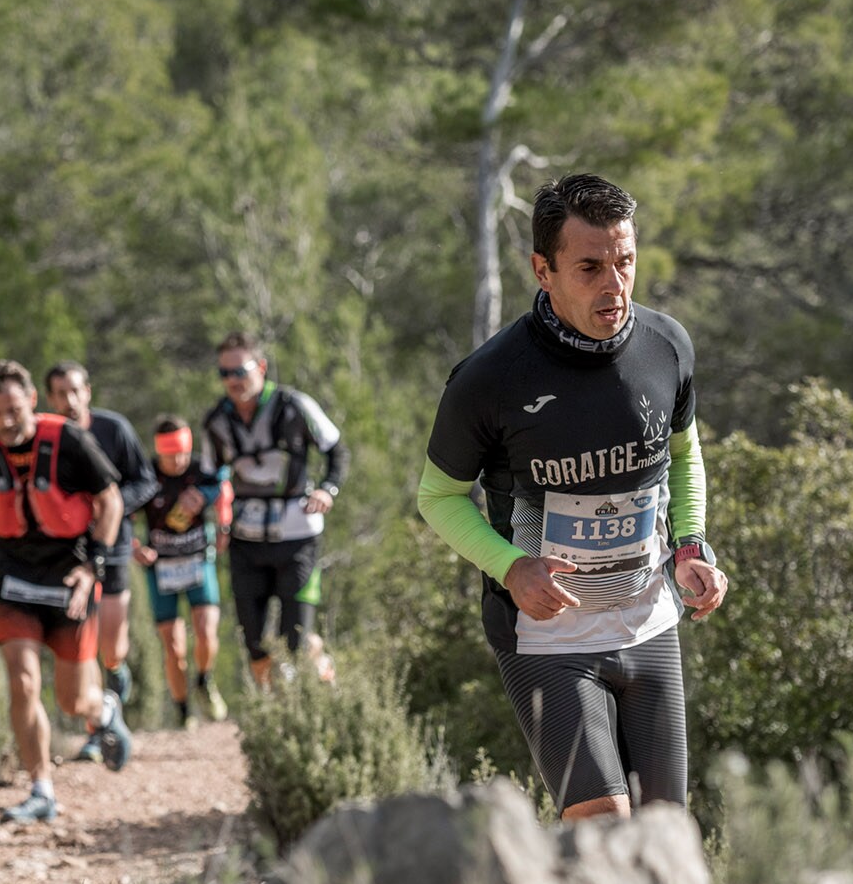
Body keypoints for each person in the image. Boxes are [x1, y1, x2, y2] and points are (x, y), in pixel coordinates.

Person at [416, 173, 729, 821]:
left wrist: (691, 543)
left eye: (625, 261)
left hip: (648, 619)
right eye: (589, 266)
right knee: (605, 826)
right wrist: (510, 565)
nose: (613, 285)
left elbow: (683, 452)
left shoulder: (666, 345)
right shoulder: (490, 378)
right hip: (545, 635)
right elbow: (439, 496)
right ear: (543, 269)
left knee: (664, 837)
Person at [0, 359, 135, 824]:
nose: (5, 422)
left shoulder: (70, 441)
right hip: (16, 577)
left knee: (70, 701)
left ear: (32, 402)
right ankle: (41, 789)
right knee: (21, 681)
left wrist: (92, 567)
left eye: (14, 410)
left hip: (69, 578)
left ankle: (102, 710)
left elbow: (111, 501)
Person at [200, 332, 347, 686]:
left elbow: (337, 450)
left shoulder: (295, 405)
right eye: (225, 374)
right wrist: (210, 518)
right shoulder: (215, 421)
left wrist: (328, 489)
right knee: (253, 641)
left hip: (298, 537)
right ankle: (272, 707)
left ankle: (309, 666)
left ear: (261, 368)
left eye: (240, 371)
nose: (233, 381)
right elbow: (208, 478)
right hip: (245, 539)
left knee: (292, 639)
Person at [44, 361, 158, 726]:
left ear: (88, 392)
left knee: (111, 645)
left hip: (114, 545)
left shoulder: (114, 429)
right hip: (70, 552)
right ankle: (101, 727)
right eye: (61, 394)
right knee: (84, 642)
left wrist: (110, 504)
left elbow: (146, 481)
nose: (70, 400)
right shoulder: (46, 438)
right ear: (49, 399)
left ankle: (117, 670)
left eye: (76, 391)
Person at [133, 415, 231, 728]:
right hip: (161, 569)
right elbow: (121, 514)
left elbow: (225, 483)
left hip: (198, 560)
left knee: (205, 632)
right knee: (174, 647)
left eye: (183, 452)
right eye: (170, 453)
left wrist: (214, 508)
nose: (178, 460)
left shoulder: (202, 470)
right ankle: (182, 709)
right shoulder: (146, 476)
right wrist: (135, 546)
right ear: (158, 451)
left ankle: (204, 679)